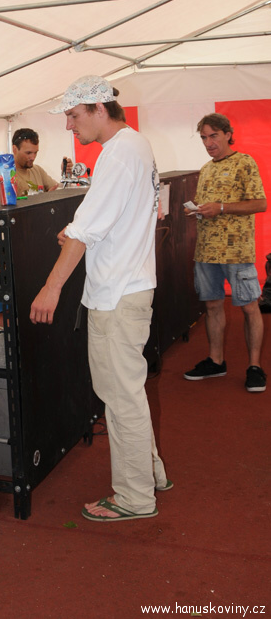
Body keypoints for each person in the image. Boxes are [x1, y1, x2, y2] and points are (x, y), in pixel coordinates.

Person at [30, 75, 171, 522]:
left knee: (120, 396)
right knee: (128, 392)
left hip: (117, 295)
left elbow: (86, 231)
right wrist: (79, 232)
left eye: (73, 115)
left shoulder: (119, 153)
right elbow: (103, 222)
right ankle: (150, 473)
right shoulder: (134, 145)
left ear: (98, 108)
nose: (69, 125)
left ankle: (134, 497)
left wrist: (52, 286)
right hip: (128, 288)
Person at [184, 113, 267, 392]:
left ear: (228, 134)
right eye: (203, 138)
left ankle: (254, 367)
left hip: (237, 251)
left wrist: (221, 208)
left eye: (214, 136)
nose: (209, 143)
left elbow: (260, 203)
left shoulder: (245, 162)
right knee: (212, 306)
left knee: (249, 307)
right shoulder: (206, 169)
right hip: (206, 251)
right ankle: (216, 361)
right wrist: (196, 210)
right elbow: (206, 205)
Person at [0, 128, 69, 197]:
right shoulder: (4, 176)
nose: (33, 157)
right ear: (14, 149)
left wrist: (66, 176)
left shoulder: (37, 170)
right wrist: (46, 198)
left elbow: (59, 190)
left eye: (35, 152)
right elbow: (8, 207)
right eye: (28, 153)